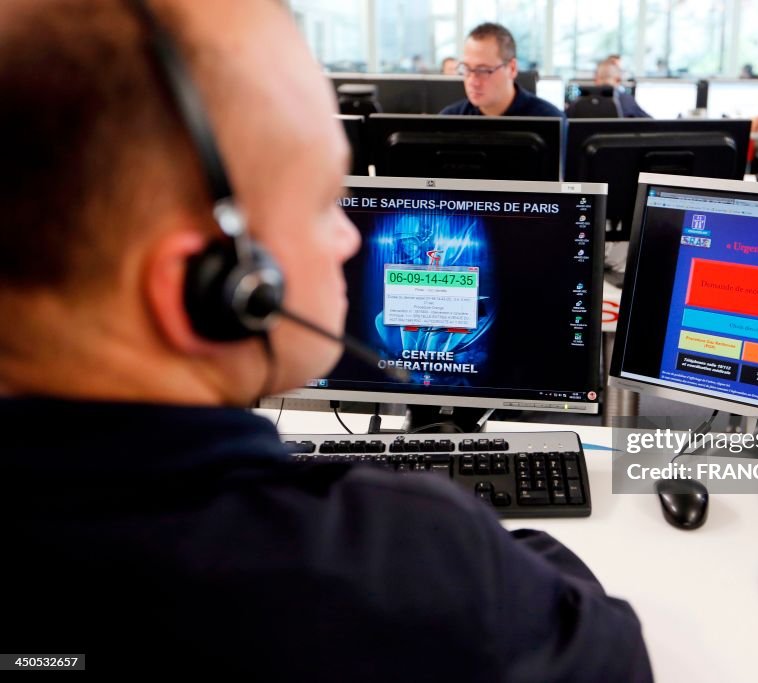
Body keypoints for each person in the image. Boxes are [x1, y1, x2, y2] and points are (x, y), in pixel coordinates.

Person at [0, 1, 652, 680]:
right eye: (321, 203)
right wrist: (492, 549)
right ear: (215, 284)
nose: (348, 236)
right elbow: (615, 655)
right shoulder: (398, 562)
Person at [440, 22, 563, 117]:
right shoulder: (449, 119)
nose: (473, 81)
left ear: (512, 68)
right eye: (466, 69)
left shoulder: (549, 120)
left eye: (483, 70)